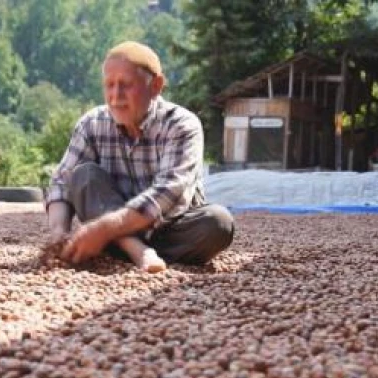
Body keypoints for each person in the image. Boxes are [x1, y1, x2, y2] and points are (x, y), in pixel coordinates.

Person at [45, 41, 235, 273]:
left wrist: (104, 229)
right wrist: (59, 234)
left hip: (167, 229)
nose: (116, 96)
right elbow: (62, 181)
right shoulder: (92, 123)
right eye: (109, 85)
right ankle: (135, 250)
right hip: (107, 220)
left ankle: (116, 247)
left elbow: (167, 192)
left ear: (156, 85)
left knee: (219, 223)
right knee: (83, 175)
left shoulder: (181, 125)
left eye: (126, 85)